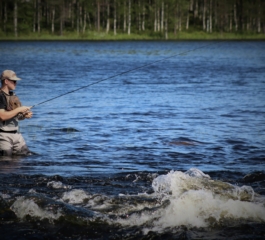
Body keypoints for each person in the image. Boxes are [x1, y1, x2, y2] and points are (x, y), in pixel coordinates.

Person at [0, 70, 33, 156]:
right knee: (6, 164)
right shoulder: (0, 96)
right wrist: (19, 110)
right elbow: (2, 116)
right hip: (4, 137)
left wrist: (24, 115)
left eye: (16, 81)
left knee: (27, 157)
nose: (16, 83)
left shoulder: (13, 96)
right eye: (14, 81)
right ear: (6, 81)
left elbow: (15, 116)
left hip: (17, 135)